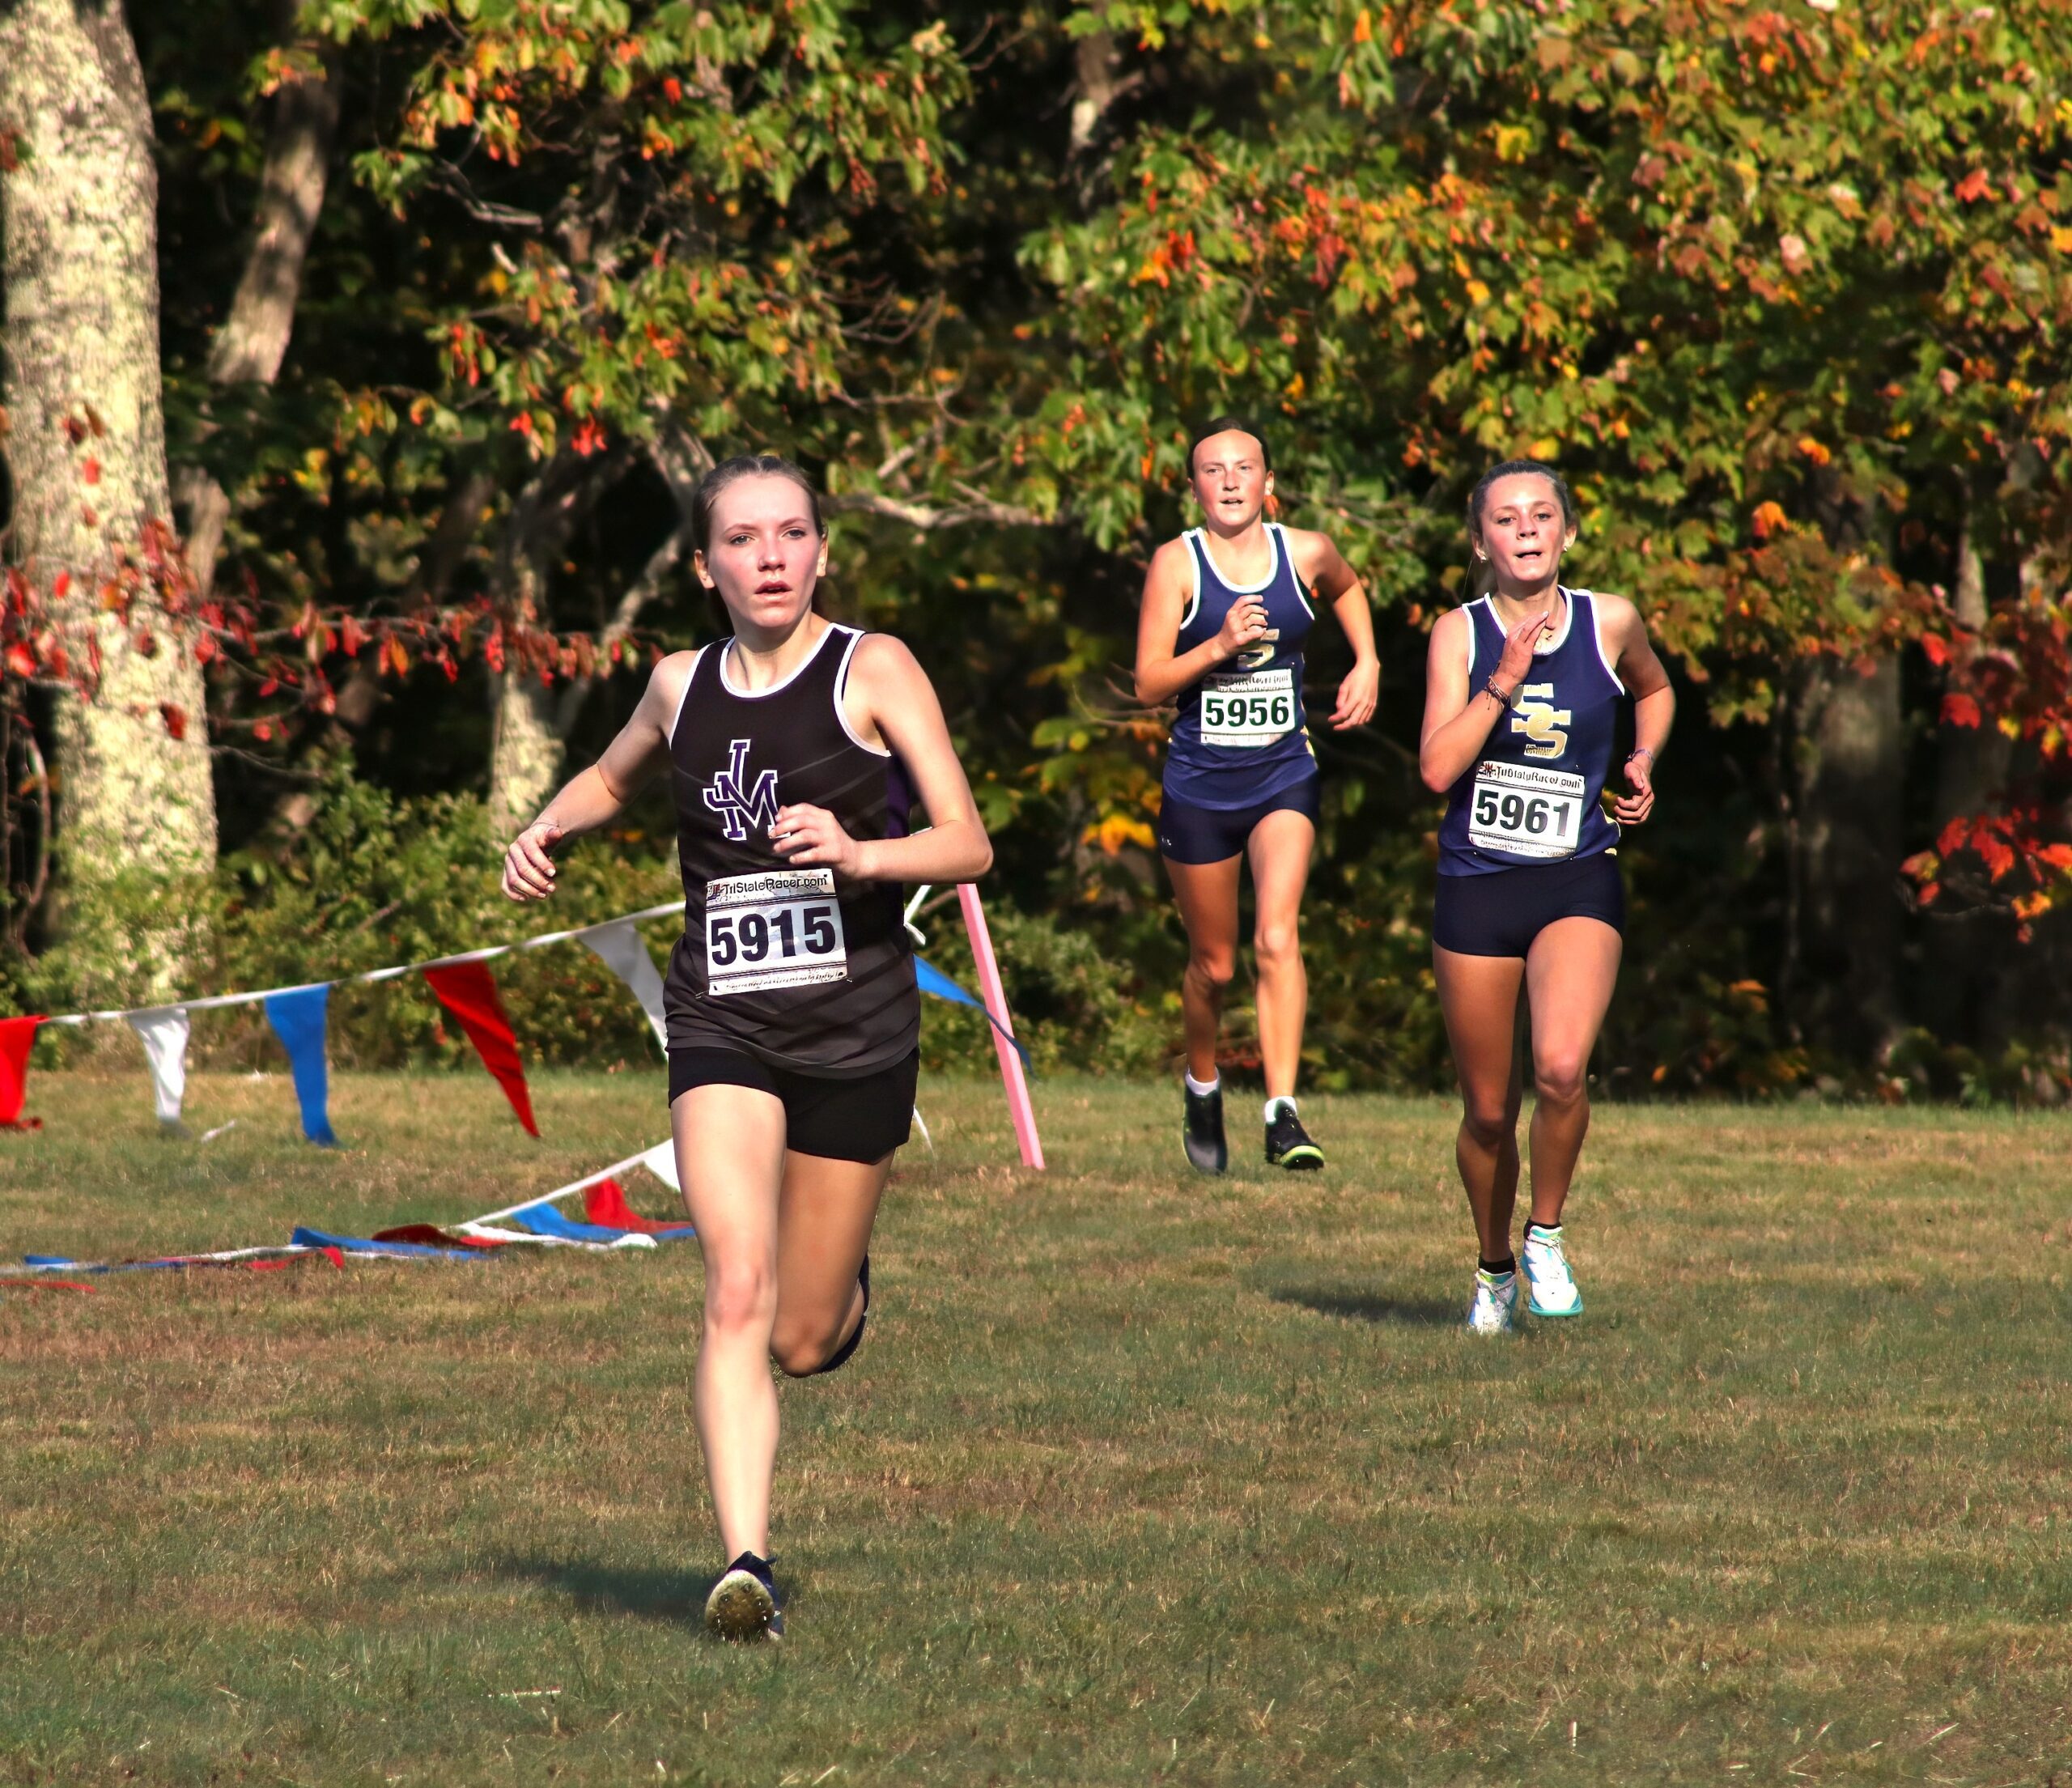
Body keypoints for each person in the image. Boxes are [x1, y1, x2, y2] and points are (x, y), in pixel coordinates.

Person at [502, 454, 992, 1640]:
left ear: (821, 550)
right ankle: (746, 1567)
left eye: (791, 535)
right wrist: (546, 827)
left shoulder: (872, 669)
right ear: (707, 562)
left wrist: (862, 852)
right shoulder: (679, 684)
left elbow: (968, 842)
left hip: (858, 1033)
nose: (770, 558)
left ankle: (840, 1296)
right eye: (744, 539)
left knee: (801, 1336)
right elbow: (615, 778)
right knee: (734, 1285)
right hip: (722, 1018)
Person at [1417, 459, 1674, 1334]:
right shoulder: (1458, 635)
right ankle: (1492, 1268)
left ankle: (1545, 1236)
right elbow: (1436, 770)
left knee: (1561, 1068)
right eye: (1504, 518)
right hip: (1478, 886)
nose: (1524, 530)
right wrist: (1502, 681)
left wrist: (1640, 761)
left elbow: (1656, 689)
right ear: (1480, 538)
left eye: (1540, 515)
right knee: (1488, 1112)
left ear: (1567, 530)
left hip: (1576, 875)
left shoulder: (1611, 621)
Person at [1134, 418, 1378, 1174]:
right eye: (1214, 469)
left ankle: (1282, 1113)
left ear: (1269, 483)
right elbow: (1147, 684)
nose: (1232, 480)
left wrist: (1366, 659)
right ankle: (1203, 1082)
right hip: (1200, 784)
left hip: (1282, 773)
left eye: (1246, 467)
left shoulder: (1303, 551)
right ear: (1194, 486)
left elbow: (1348, 586)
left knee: (1277, 935)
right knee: (1214, 964)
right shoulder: (1176, 565)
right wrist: (1215, 646)